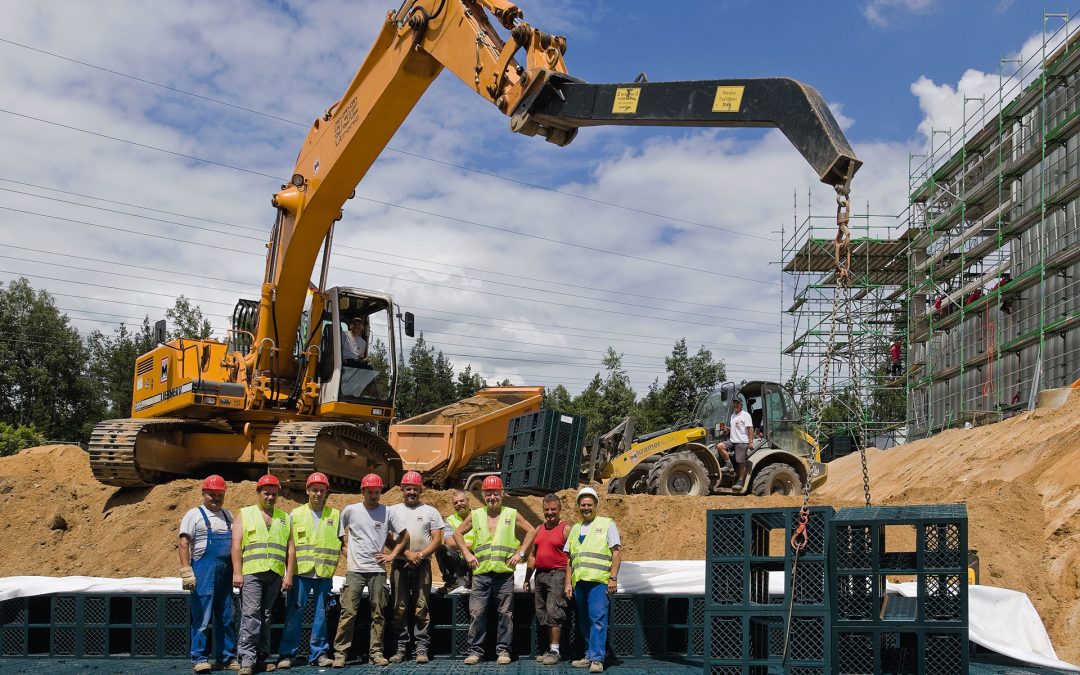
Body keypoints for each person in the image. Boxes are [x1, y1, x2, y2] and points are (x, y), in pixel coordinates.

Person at [454, 475, 537, 666]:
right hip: (481, 573)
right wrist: (467, 554)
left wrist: (521, 553)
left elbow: (531, 530)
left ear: (502, 494)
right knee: (477, 613)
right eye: (488, 494)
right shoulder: (476, 515)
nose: (492, 497)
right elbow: (457, 533)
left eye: (495, 493)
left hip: (504, 573)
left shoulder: (511, 513)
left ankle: (503, 651)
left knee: (505, 614)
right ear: (483, 495)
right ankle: (475, 651)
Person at [331, 473, 408, 668]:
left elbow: (404, 535)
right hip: (355, 570)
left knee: (378, 613)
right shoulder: (350, 511)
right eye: (370, 492)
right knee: (348, 612)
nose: (374, 496)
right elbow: (340, 535)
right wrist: (345, 551)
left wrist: (391, 555)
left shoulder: (387, 512)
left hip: (378, 571)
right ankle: (341, 654)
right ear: (362, 491)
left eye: (377, 492)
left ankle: (376, 652)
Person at [276, 472, 341, 669]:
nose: (318, 494)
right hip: (301, 573)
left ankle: (319, 654)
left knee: (321, 615)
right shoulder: (295, 515)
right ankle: (287, 654)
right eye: (315, 490)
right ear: (307, 490)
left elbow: (342, 542)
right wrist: (288, 573)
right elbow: (289, 545)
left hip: (323, 572)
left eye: (322, 490)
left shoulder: (335, 515)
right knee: (294, 614)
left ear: (326, 492)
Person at [231, 474, 291, 675]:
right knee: (251, 614)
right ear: (258, 493)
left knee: (265, 616)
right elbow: (236, 545)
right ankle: (246, 660)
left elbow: (290, 548)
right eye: (266, 493)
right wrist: (237, 573)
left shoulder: (284, 517)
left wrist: (288, 574)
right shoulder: (245, 514)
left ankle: (261, 658)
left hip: (274, 572)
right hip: (252, 572)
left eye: (274, 494)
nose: (270, 498)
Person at [179, 475, 238, 673]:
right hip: (203, 572)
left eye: (219, 494)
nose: (215, 498)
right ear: (203, 493)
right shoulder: (193, 515)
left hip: (225, 573)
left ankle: (226, 658)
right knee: (202, 618)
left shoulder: (228, 515)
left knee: (226, 617)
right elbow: (184, 543)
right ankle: (199, 658)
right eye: (212, 494)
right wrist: (187, 571)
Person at [388, 471, 445, 664]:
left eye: (415, 488)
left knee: (422, 606)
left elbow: (437, 539)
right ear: (402, 490)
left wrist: (420, 555)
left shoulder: (430, 511)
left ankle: (421, 647)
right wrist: (407, 554)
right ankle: (401, 647)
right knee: (399, 606)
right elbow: (388, 539)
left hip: (422, 565)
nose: (411, 492)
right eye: (408, 488)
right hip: (399, 565)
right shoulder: (392, 511)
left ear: (421, 489)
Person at [563, 487, 621, 674]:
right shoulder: (575, 529)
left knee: (597, 619)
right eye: (582, 505)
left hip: (599, 582)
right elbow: (570, 559)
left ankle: (597, 659)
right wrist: (568, 583)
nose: (586, 507)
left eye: (589, 504)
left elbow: (616, 552)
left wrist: (613, 578)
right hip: (580, 582)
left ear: (596, 505)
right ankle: (589, 655)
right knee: (585, 621)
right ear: (578, 507)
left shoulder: (607, 524)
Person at [524, 494, 570, 666]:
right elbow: (533, 555)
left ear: (559, 510)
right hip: (540, 575)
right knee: (542, 612)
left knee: (554, 612)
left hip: (557, 575)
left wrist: (568, 582)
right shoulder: (540, 528)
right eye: (546, 509)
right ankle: (548, 648)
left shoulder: (566, 529)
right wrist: (528, 578)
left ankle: (555, 650)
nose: (550, 513)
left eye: (553, 509)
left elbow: (571, 558)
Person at [436, 490, 474, 593]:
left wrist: (471, 549)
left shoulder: (478, 516)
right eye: (456, 503)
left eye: (462, 501)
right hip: (458, 557)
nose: (459, 504)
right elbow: (449, 542)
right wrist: (467, 546)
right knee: (441, 548)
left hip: (475, 556)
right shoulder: (450, 520)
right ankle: (451, 582)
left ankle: (473, 580)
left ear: (468, 500)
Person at [716, 398, 754, 490]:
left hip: (742, 442)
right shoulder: (733, 416)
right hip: (732, 441)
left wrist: (751, 442)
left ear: (741, 405)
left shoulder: (746, 415)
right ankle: (729, 465)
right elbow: (736, 428)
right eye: (734, 403)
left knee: (741, 463)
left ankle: (740, 482)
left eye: (737, 403)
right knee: (719, 446)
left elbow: (750, 429)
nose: (735, 405)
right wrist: (728, 429)